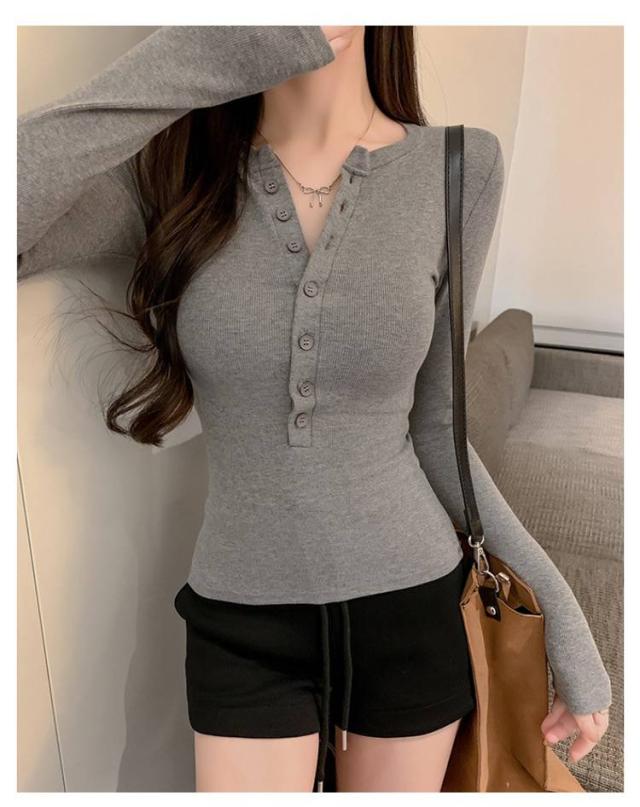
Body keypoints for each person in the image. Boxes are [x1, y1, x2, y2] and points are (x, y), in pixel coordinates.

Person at [18, 25, 611, 792]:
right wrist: (213, 54)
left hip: (413, 608)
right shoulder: (173, 177)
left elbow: (440, 428)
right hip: (242, 622)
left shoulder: (460, 166)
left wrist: (563, 619)